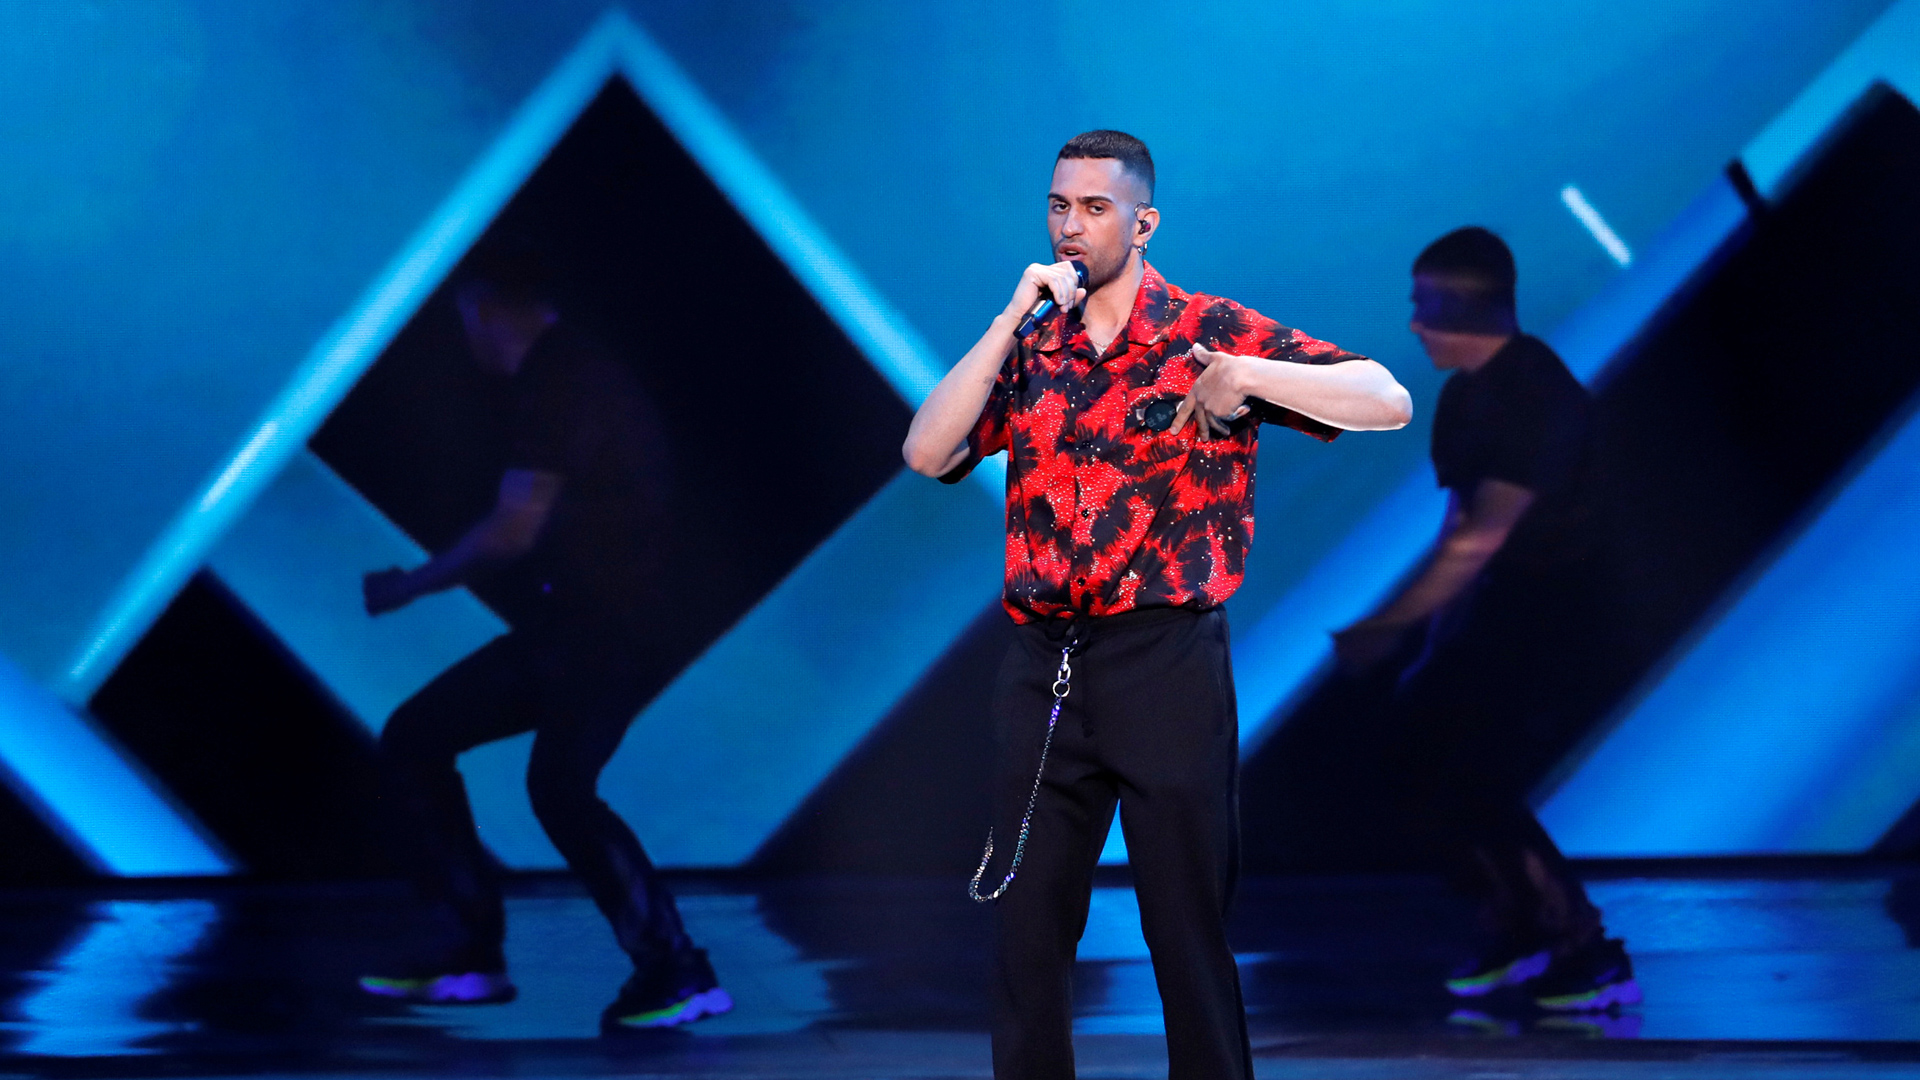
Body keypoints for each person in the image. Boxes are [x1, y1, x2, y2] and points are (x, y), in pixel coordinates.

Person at [904, 130, 1410, 1080]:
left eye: (1095, 208)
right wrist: (1009, 316)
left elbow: (1387, 398)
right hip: (1044, 666)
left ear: (1144, 224)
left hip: (1166, 661)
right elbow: (928, 453)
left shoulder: (1205, 330)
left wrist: (1248, 376)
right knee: (1027, 929)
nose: (1071, 226)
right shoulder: (1034, 343)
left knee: (1184, 927)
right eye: (1059, 205)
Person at [355, 250, 731, 1032]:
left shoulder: (563, 379)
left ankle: (671, 968)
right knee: (433, 743)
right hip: (585, 626)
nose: (467, 339)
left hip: (607, 627)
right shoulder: (567, 376)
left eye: (466, 319)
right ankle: (475, 959)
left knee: (546, 784)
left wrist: (410, 585)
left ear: (489, 307)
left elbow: (511, 530)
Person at [1332, 227, 1639, 1013]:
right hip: (1498, 612)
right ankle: (1519, 924)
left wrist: (1388, 624)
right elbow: (1460, 525)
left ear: (1458, 309)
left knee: (1477, 774)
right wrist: (1434, 639)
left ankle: (1583, 946)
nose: (1413, 323)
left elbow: (1483, 535)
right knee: (1422, 759)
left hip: (1555, 614)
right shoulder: (1468, 396)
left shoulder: (1535, 393)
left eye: (1423, 306)